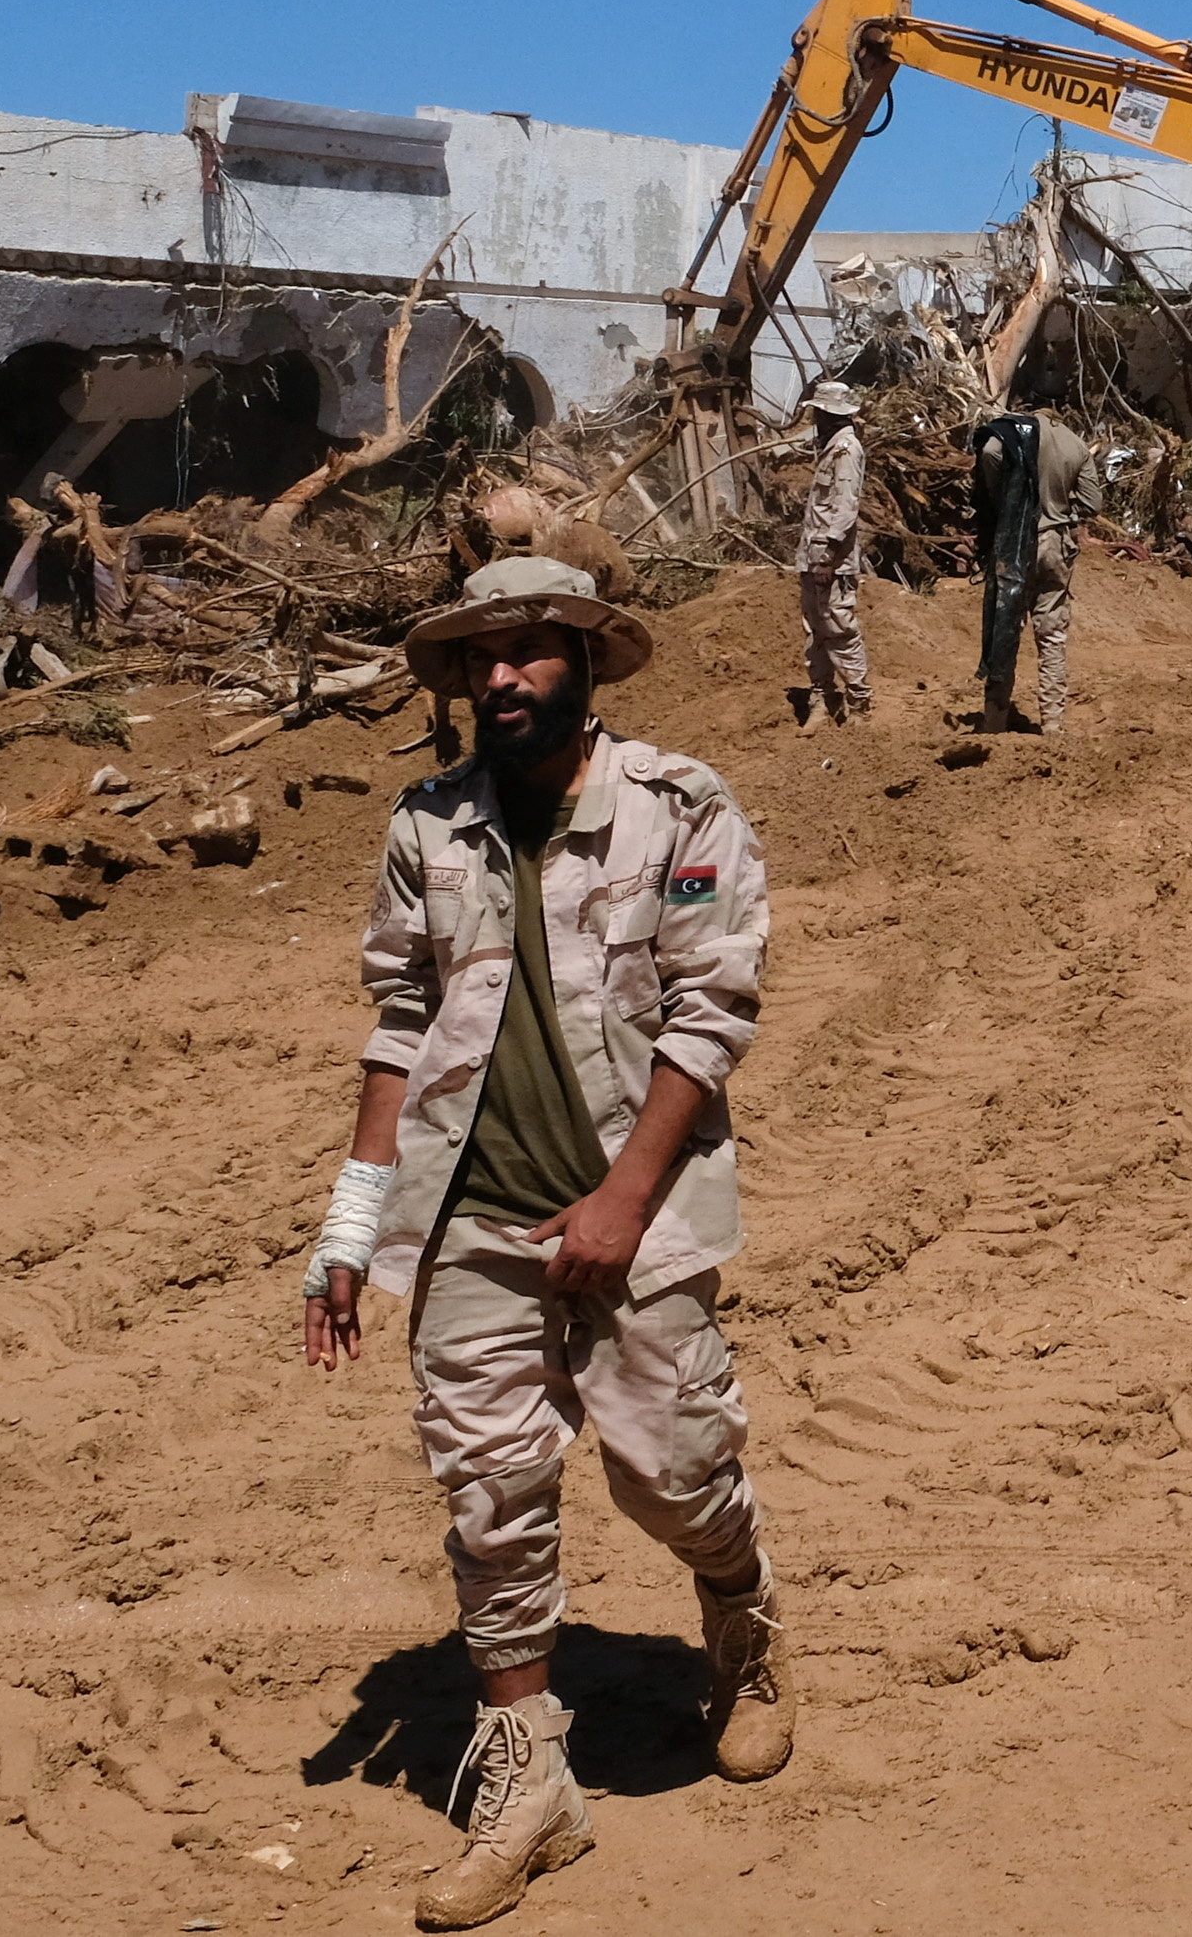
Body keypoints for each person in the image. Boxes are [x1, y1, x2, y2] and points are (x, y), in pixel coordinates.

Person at [299, 556, 789, 1929]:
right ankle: (530, 1781)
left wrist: (627, 1197)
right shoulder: (429, 825)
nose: (500, 678)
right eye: (479, 660)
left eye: (526, 653)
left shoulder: (680, 806)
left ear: (581, 655)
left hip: (634, 1212)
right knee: (489, 1494)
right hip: (471, 1216)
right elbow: (399, 1023)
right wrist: (352, 1225)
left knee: (676, 1471)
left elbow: (711, 1008)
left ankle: (742, 1622)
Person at [970, 383, 1092, 734]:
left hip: (1014, 545)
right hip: (1055, 545)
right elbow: (1093, 503)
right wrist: (1063, 510)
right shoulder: (1075, 444)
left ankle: (994, 721)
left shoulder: (1014, 432)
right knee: (1051, 636)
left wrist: (1004, 501)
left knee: (1005, 628)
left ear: (1029, 405)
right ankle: (1052, 723)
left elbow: (990, 452)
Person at [789, 381, 867, 726]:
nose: (814, 417)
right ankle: (822, 699)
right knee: (816, 629)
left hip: (829, 560)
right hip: (813, 555)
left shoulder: (847, 450)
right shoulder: (831, 447)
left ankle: (860, 705)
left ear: (830, 414)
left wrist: (828, 557)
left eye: (819, 412)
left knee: (839, 628)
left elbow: (845, 507)